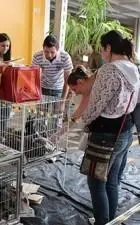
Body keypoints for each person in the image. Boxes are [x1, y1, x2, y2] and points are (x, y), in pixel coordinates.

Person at [80, 30, 139, 225]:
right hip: (125, 130)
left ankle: (102, 221)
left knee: (96, 181)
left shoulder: (110, 70)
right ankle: (109, 220)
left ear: (109, 48)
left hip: (105, 134)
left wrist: (83, 122)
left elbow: (96, 105)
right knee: (112, 180)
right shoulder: (133, 68)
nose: (102, 55)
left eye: (102, 50)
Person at [32, 34, 73, 99]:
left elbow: (67, 80)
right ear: (43, 49)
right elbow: (35, 77)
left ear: (58, 50)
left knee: (58, 109)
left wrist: (63, 100)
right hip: (42, 88)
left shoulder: (65, 57)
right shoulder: (37, 56)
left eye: (52, 52)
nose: (49, 55)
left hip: (59, 89)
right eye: (46, 52)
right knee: (41, 109)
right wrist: (37, 93)